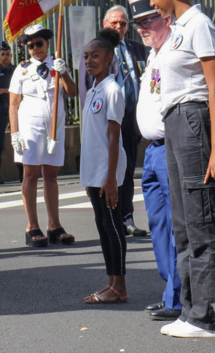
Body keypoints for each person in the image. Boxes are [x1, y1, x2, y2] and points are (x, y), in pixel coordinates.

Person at [144, 0, 215, 338]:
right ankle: (191, 310)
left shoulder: (199, 25)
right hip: (175, 123)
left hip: (195, 121)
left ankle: (210, 318)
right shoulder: (176, 29)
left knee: (202, 219)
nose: (151, 1)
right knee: (183, 224)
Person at [128, 0, 182, 321]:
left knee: (175, 225)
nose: (142, 28)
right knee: (158, 225)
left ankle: (177, 297)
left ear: (165, 17)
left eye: (148, 20)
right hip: (151, 151)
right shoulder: (152, 54)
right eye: (139, 24)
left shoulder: (174, 51)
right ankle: (170, 288)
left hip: (170, 147)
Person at [8, 24, 78, 247]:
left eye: (39, 44)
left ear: (47, 44)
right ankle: (32, 226)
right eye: (30, 46)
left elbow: (72, 92)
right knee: (30, 174)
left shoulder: (56, 65)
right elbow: (13, 103)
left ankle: (54, 225)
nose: (35, 48)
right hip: (30, 126)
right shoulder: (22, 69)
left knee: (51, 175)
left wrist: (64, 71)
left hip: (54, 126)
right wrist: (15, 132)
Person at [81, 28, 128, 304]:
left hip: (108, 174)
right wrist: (89, 178)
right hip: (95, 174)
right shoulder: (93, 90)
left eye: (95, 56)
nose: (89, 61)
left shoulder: (112, 90)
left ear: (110, 58)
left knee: (113, 228)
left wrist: (110, 178)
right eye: (86, 56)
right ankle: (111, 283)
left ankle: (120, 286)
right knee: (103, 227)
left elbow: (114, 137)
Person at [102, 5, 148, 237]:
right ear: (105, 24)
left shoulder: (138, 49)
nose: (119, 27)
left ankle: (127, 217)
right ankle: (110, 217)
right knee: (108, 168)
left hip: (131, 117)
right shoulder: (97, 49)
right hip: (107, 116)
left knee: (128, 167)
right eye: (114, 23)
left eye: (122, 23)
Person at [0, 41, 19, 184]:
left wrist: (3, 90)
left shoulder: (16, 70)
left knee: (19, 139)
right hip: (0, 109)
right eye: (2, 55)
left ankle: (22, 174)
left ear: (11, 56)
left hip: (16, 108)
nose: (5, 57)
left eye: (7, 54)